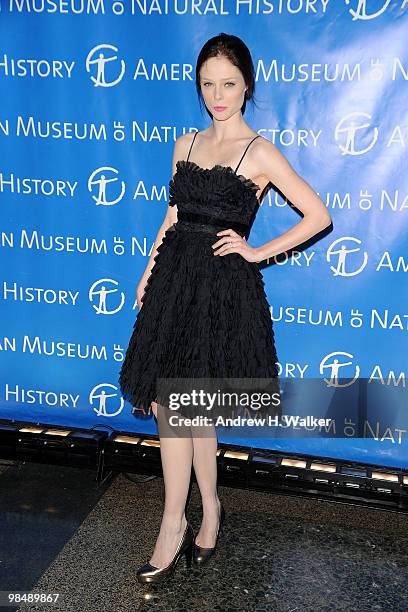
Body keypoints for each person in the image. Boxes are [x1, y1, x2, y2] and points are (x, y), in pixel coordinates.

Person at [119, 32, 332, 585]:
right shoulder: (184, 143)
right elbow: (171, 217)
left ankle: (202, 512)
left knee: (195, 410)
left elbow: (318, 215)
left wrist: (256, 251)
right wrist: (147, 273)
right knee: (173, 408)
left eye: (229, 84)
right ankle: (179, 519)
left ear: (247, 86)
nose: (218, 95)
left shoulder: (257, 151)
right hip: (172, 284)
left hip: (219, 291)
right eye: (208, 84)